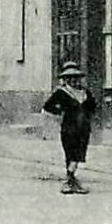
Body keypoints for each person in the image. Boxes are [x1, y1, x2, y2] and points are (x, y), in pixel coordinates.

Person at [42, 61, 96, 194]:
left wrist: (87, 114)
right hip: (69, 128)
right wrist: (59, 113)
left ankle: (71, 179)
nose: (74, 81)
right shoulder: (61, 93)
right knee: (71, 153)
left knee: (79, 154)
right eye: (70, 78)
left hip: (83, 128)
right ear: (66, 80)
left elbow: (93, 107)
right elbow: (48, 107)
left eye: (76, 78)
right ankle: (70, 179)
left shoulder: (85, 93)